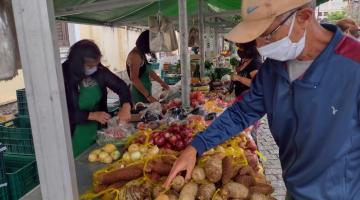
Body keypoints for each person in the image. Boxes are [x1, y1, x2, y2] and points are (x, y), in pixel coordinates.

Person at [164, 0, 360, 199]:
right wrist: (196, 146)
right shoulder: (274, 69)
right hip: (294, 190)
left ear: (303, 18)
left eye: (266, 35)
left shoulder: (354, 65)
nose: (259, 46)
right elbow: (241, 113)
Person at [62, 40, 132, 157]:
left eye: (97, 64)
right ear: (78, 63)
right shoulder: (63, 75)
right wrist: (91, 115)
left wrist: (126, 105)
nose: (94, 68)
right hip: (75, 132)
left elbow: (120, 85)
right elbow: (61, 112)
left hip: (98, 130)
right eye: (90, 66)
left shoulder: (98, 70)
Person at [126, 30, 170, 104]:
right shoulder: (135, 55)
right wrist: (148, 96)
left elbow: (150, 71)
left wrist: (162, 83)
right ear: (147, 43)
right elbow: (134, 79)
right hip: (139, 93)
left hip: (145, 90)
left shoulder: (141, 54)